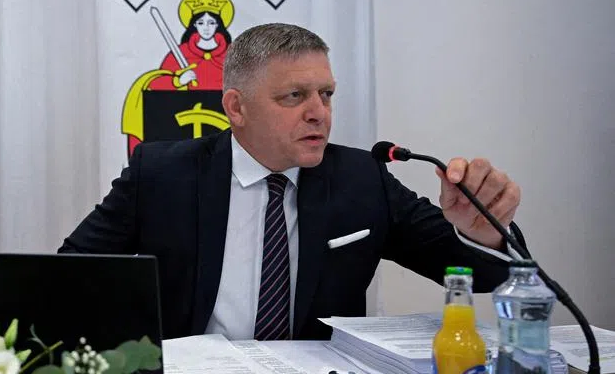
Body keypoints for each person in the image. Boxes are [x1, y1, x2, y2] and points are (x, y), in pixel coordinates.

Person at [60, 23, 523, 341]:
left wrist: (480, 232)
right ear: (236, 108)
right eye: (295, 96)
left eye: (326, 94)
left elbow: (485, 275)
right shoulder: (162, 174)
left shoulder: (362, 179)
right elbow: (71, 276)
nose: (318, 112)